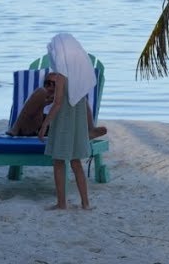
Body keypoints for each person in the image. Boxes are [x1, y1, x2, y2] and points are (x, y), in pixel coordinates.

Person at [38, 32, 102, 210]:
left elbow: (58, 103)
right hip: (77, 123)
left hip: (64, 123)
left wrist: (45, 124)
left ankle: (61, 203)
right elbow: (82, 103)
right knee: (75, 162)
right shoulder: (79, 77)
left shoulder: (61, 76)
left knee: (59, 162)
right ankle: (85, 203)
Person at [9, 76, 108, 138]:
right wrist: (43, 104)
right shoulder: (39, 94)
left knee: (78, 95)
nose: (51, 87)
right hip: (30, 128)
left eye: (54, 84)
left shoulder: (65, 97)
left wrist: (60, 98)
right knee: (41, 92)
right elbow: (28, 114)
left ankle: (90, 129)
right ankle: (16, 128)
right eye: (47, 83)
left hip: (55, 129)